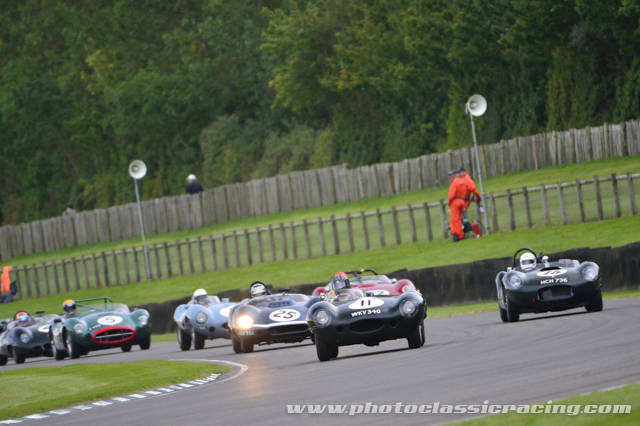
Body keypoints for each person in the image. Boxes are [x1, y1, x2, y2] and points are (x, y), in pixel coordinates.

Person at [447, 169, 467, 242]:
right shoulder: (462, 182)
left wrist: (449, 203)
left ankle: (458, 235)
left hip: (455, 202)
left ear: (454, 175)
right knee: (459, 219)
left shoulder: (454, 183)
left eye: (451, 175)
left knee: (455, 220)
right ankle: (458, 234)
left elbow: (451, 195)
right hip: (462, 201)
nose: (450, 177)